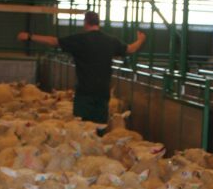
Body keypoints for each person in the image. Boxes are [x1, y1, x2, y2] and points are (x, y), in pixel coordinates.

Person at [18, 11, 146, 124]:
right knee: (100, 127)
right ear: (98, 23)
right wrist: (140, 40)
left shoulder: (80, 39)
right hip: (102, 93)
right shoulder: (111, 41)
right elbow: (131, 49)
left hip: (85, 92)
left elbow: (54, 41)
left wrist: (30, 36)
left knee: (82, 127)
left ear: (86, 23)